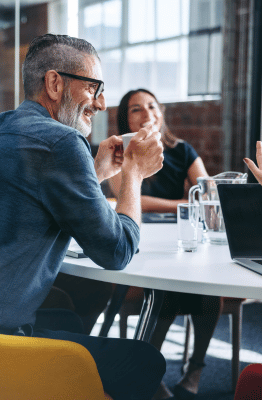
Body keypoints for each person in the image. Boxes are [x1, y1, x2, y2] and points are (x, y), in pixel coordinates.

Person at [0, 34, 166, 399]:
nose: (101, 103)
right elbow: (117, 252)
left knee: (66, 316)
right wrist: (133, 173)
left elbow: (33, 196)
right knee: (145, 361)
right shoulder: (62, 143)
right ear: (55, 83)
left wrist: (95, 171)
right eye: (94, 87)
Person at [109, 88, 221, 400]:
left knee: (208, 288)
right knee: (164, 286)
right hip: (140, 240)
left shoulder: (182, 150)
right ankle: (149, 372)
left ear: (161, 113)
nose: (146, 114)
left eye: (151, 106)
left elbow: (208, 193)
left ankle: (195, 368)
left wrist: (196, 199)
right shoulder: (121, 150)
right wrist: (181, 204)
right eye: (135, 109)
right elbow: (129, 198)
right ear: (125, 118)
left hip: (181, 240)